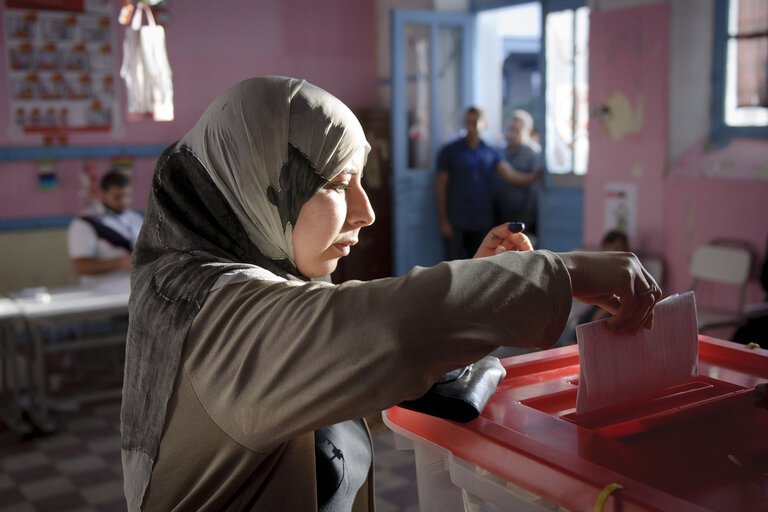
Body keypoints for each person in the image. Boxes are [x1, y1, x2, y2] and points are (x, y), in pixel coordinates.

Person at [121, 77, 661, 511]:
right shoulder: (207, 314)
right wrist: (565, 271)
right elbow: (388, 330)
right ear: (255, 182)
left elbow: (367, 342)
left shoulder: (242, 288)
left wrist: (476, 290)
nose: (366, 211)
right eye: (337, 183)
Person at [436, 107, 541, 260]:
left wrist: (534, 177)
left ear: (484, 124)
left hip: (482, 221)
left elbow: (508, 174)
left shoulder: (491, 151)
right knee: (454, 265)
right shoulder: (450, 151)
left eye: (475, 122)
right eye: (468, 122)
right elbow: (440, 185)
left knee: (480, 266)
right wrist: (443, 221)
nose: (470, 126)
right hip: (457, 220)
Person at [67, 169, 143, 291]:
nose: (123, 201)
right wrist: (120, 263)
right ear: (103, 194)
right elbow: (80, 267)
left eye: (127, 195)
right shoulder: (85, 223)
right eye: (117, 197)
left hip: (137, 291)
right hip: (102, 293)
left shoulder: (134, 219)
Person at [494, 109, 543, 239]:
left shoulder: (533, 154)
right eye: (510, 129)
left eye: (516, 130)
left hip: (522, 221)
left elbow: (534, 191)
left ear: (527, 131)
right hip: (501, 218)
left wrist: (524, 223)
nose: (511, 134)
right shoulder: (501, 152)